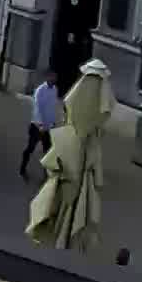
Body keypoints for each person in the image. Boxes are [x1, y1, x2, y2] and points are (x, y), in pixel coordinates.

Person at [28, 58, 113, 251]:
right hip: (65, 143)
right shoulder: (92, 138)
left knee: (63, 192)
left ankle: (57, 228)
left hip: (68, 144)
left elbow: (70, 110)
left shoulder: (75, 97)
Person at [20, 70, 62, 179]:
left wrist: (52, 122)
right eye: (52, 77)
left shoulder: (54, 90)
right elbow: (37, 109)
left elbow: (52, 108)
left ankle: (46, 173)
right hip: (37, 126)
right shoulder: (40, 91)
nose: (54, 79)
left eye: (55, 77)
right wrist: (40, 125)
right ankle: (22, 168)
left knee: (47, 150)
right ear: (47, 77)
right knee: (30, 148)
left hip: (48, 127)